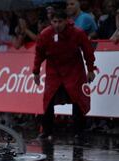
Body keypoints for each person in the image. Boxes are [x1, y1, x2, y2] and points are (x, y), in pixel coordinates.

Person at [32, 9, 96, 140]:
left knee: (78, 101)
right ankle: (47, 131)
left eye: (60, 22)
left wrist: (90, 70)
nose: (57, 25)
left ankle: (79, 131)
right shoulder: (45, 34)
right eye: (54, 22)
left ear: (66, 21)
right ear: (51, 22)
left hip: (74, 71)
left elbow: (88, 52)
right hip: (54, 72)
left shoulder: (77, 33)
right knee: (48, 101)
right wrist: (36, 71)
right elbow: (39, 54)